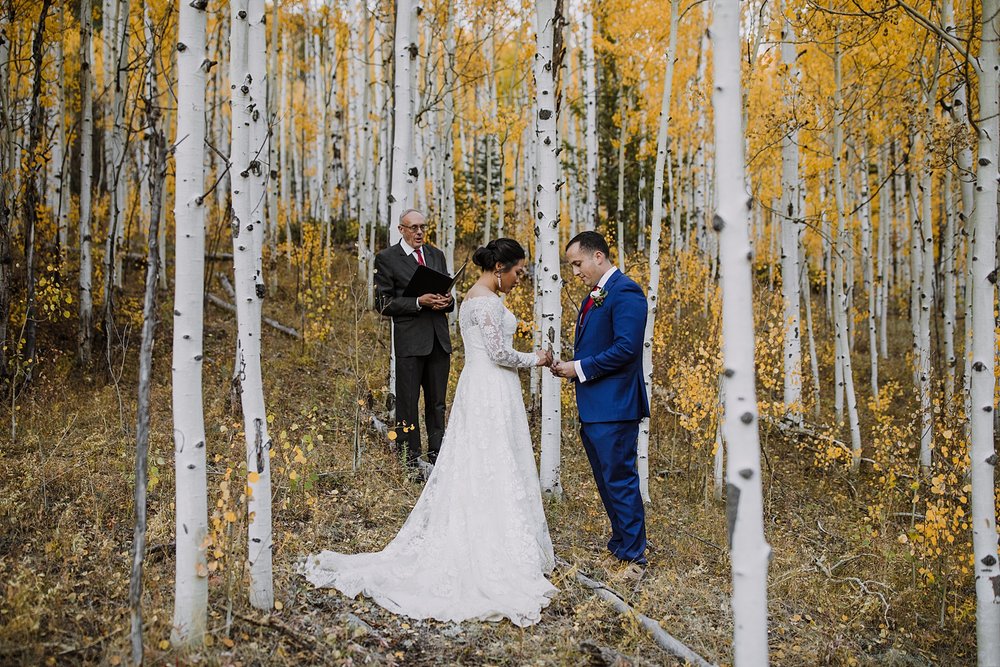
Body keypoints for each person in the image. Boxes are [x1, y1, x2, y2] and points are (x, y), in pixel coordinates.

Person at [302, 238, 558, 627]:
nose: (520, 279)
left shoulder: (475, 297)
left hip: (486, 386)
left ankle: (493, 527)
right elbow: (498, 353)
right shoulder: (485, 301)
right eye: (518, 272)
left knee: (487, 458)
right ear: (499, 268)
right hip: (490, 386)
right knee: (492, 457)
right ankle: (491, 543)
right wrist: (535, 358)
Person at [550, 231, 649, 577]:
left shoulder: (626, 292)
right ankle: (621, 547)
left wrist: (578, 368)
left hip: (616, 406)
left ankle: (635, 558)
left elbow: (626, 349)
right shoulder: (597, 295)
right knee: (607, 482)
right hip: (596, 406)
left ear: (598, 257)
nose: (575, 272)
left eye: (577, 264)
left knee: (620, 480)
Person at [372, 209, 453, 469]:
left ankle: (437, 455)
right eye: (413, 227)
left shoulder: (435, 255)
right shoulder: (386, 259)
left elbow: (446, 290)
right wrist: (418, 301)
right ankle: (411, 460)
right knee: (408, 403)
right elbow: (382, 303)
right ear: (401, 230)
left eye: (422, 227)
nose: (419, 232)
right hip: (410, 342)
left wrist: (447, 301)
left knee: (437, 403)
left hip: (438, 339)